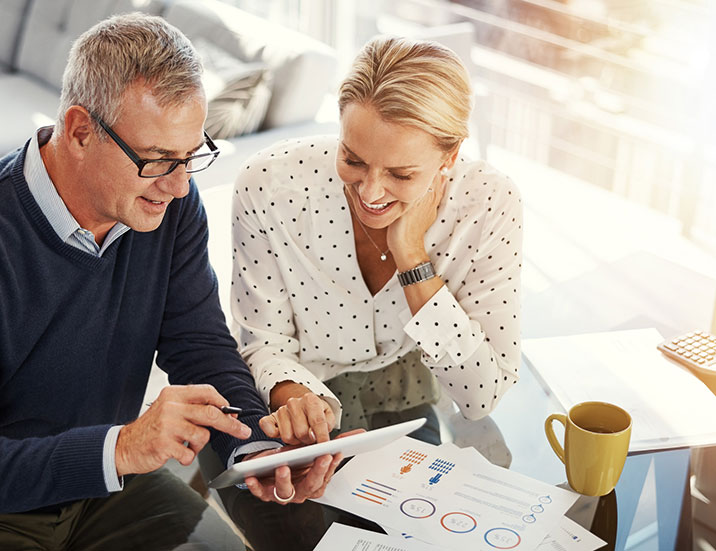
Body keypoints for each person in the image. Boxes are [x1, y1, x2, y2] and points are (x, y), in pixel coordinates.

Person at [0, 13, 339, 551]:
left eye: (191, 155)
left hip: (98, 484)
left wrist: (254, 447)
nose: (180, 186)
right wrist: (123, 448)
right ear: (81, 130)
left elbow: (198, 345)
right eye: (157, 161)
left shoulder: (165, 207)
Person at [220, 36, 524, 549]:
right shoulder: (268, 185)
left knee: (414, 539)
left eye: (402, 174)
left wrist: (412, 256)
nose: (370, 192)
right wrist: (295, 397)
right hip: (292, 393)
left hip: (402, 393)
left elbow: (480, 396)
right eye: (353, 159)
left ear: (450, 155)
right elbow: (261, 338)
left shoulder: (488, 204)